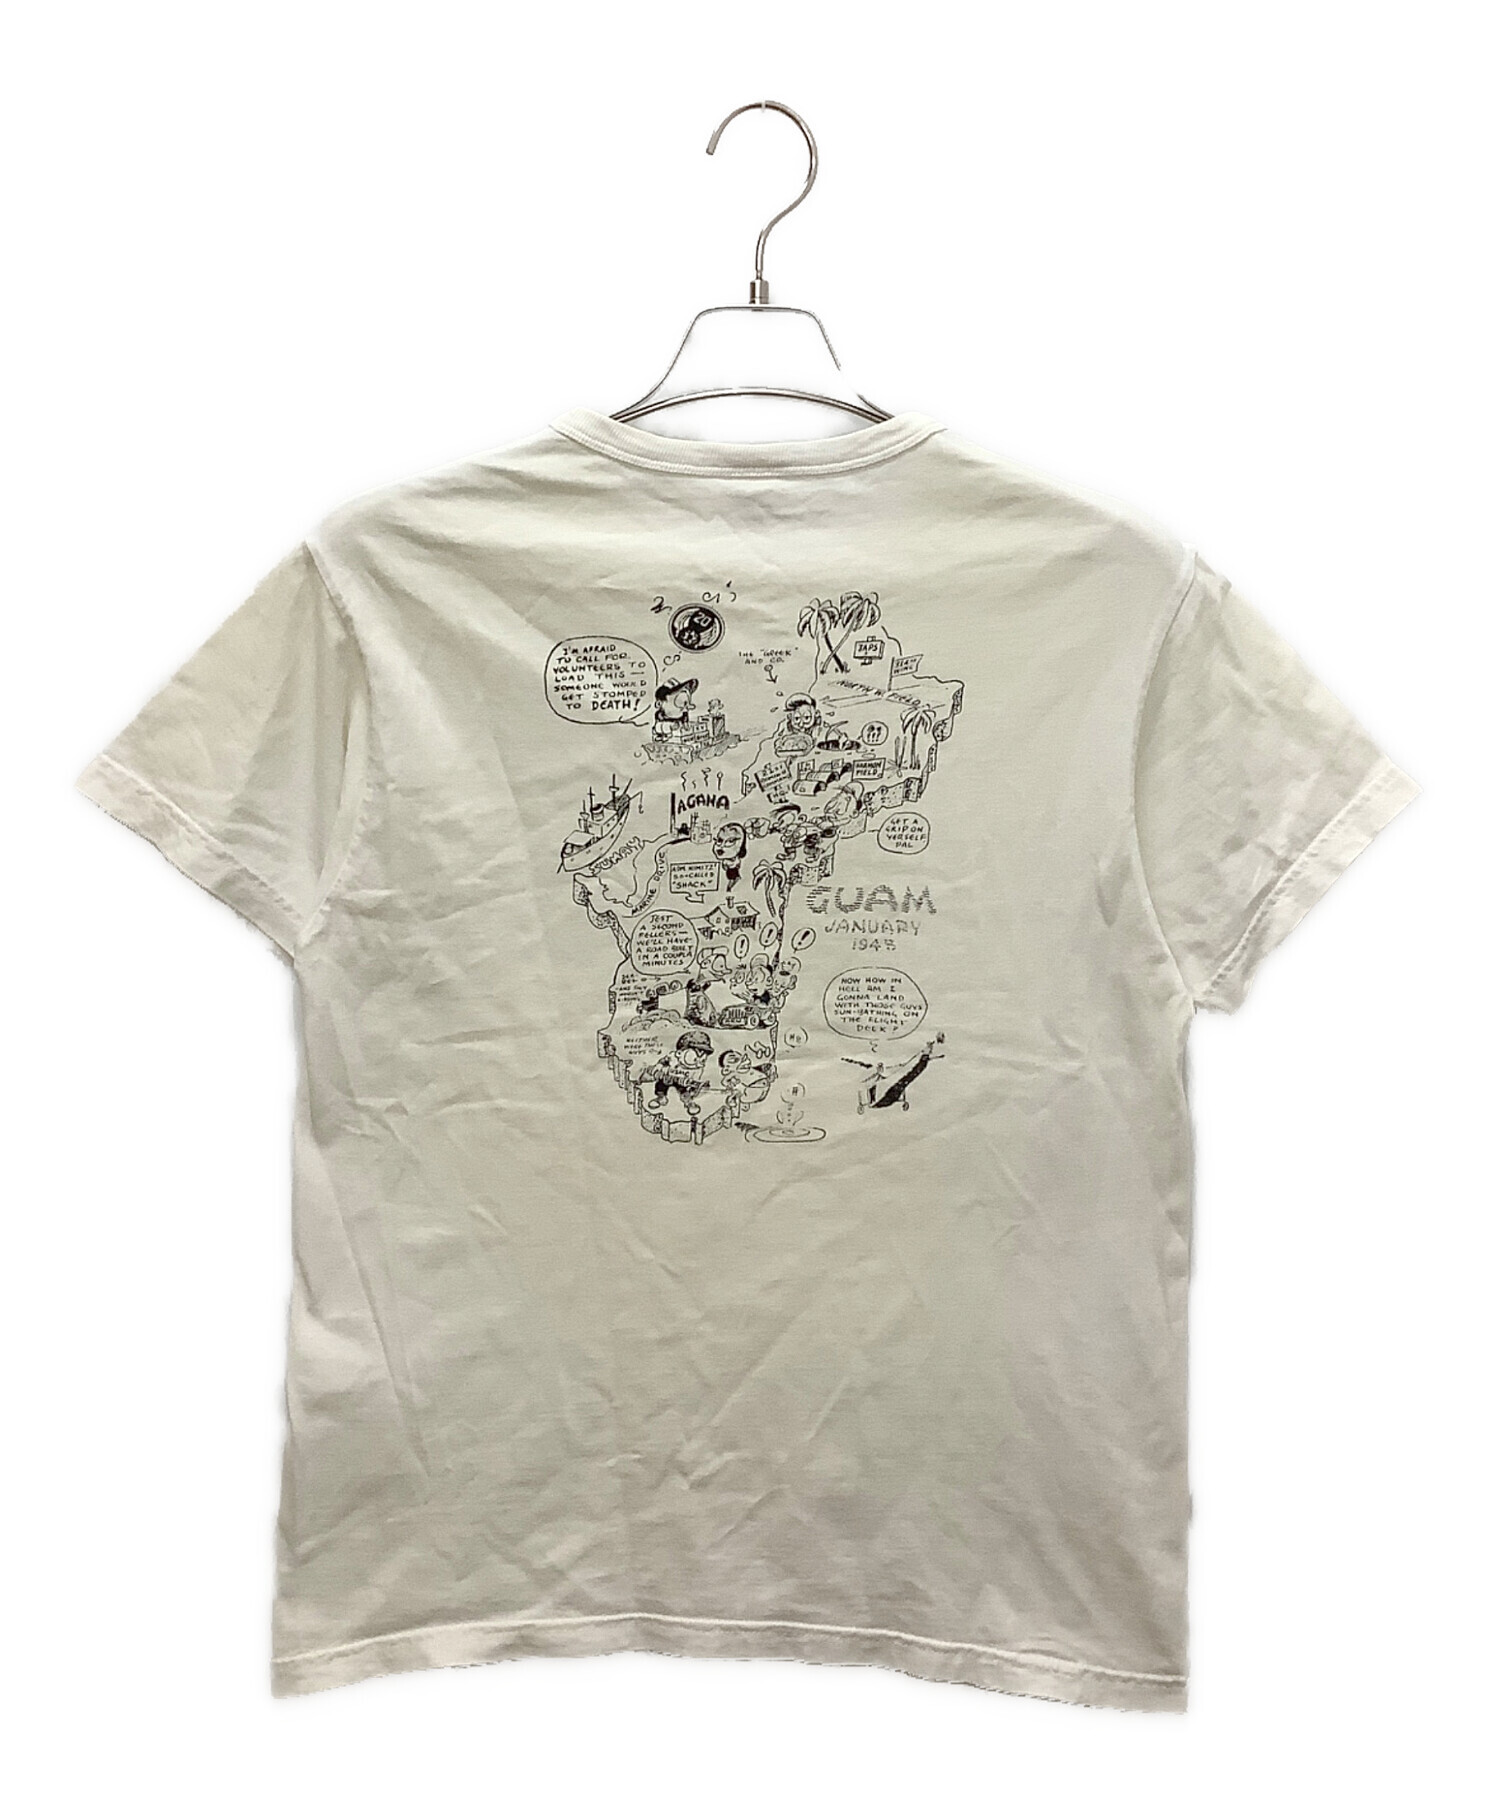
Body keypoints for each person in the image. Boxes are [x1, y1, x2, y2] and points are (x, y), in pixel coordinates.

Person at [643, 1029, 713, 1114]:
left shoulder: (697, 1069)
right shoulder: (673, 1057)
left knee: (684, 1092)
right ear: (680, 1053)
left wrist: (692, 1084)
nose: (700, 1059)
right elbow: (663, 1061)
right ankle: (660, 1098)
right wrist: (658, 1067)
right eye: (697, 1055)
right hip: (667, 1077)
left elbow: (694, 1079)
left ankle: (689, 1103)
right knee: (660, 1085)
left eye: (703, 1056)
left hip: (682, 1081)